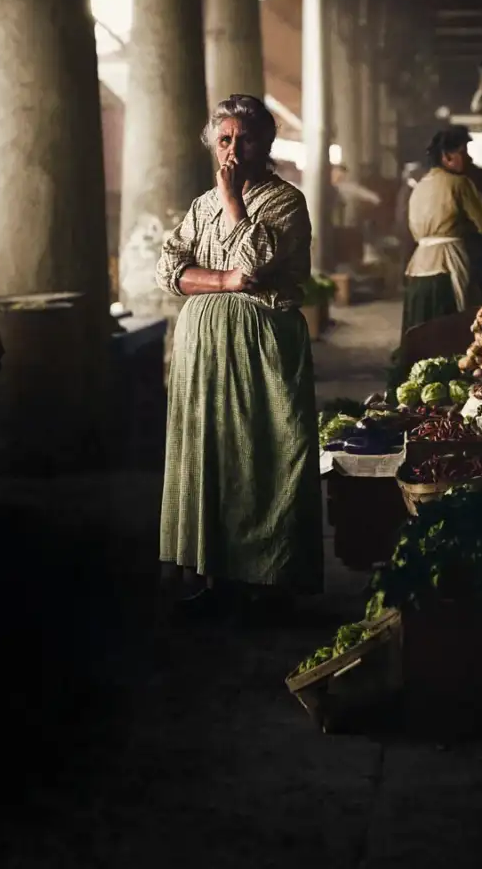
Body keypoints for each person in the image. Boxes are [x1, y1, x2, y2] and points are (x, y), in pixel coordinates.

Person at [155, 94, 322, 614]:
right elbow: (168, 269)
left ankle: (266, 582)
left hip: (261, 346)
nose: (233, 150)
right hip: (202, 346)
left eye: (244, 139)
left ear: (264, 143)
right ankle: (212, 577)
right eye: (224, 140)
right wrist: (224, 280)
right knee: (209, 453)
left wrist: (233, 204)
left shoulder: (284, 202)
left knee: (267, 452)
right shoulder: (201, 205)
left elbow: (254, 262)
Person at [402, 129, 482, 333]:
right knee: (454, 336)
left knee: (420, 337)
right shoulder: (460, 183)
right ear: (447, 156)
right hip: (449, 266)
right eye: (463, 151)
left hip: (418, 270)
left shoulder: (419, 186)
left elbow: (415, 232)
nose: (468, 157)